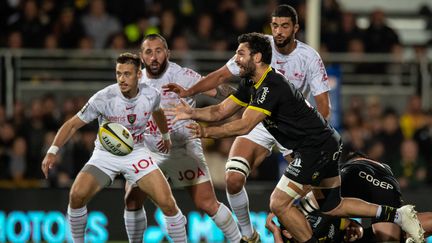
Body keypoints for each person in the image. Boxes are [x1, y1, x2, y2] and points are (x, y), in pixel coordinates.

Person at [166, 32, 425, 243]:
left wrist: (205, 131)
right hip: (325, 143)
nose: (236, 58)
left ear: (256, 57)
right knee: (332, 206)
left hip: (314, 148)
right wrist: (192, 112)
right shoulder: (250, 83)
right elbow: (222, 110)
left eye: (240, 53)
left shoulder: (271, 85)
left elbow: (243, 126)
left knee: (278, 203)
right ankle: (398, 215)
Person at [164, 5, 330, 241]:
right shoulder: (256, 49)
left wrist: (315, 138)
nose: (279, 31)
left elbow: (323, 106)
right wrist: (190, 96)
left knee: (322, 193)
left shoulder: (308, 57)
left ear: (296, 28)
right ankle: (248, 236)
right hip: (260, 120)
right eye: (275, 25)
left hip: (293, 127)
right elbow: (221, 80)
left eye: (284, 26)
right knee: (233, 178)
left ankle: (340, 228)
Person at [41, 53, 188, 243]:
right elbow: (71, 125)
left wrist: (165, 136)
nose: (121, 79)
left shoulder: (151, 95)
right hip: (105, 154)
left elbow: (158, 112)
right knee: (76, 195)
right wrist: (52, 151)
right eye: (118, 74)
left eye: (127, 74)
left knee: (168, 203)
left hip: (136, 153)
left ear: (139, 75)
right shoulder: (104, 98)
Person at [122, 34, 242, 242]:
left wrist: (247, 96)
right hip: (149, 149)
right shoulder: (134, 80)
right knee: (132, 200)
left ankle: (240, 239)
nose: (154, 57)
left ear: (167, 53)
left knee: (207, 203)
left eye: (159, 51)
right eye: (148, 52)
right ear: (141, 57)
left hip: (182, 147)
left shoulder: (184, 75)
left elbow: (220, 92)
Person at [266, 151, 432, 242]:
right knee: (401, 233)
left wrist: (275, 231)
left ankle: (397, 216)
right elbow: (351, 224)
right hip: (372, 175)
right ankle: (399, 219)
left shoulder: (304, 219)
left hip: (355, 173)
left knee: (388, 237)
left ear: (287, 232)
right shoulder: (321, 220)